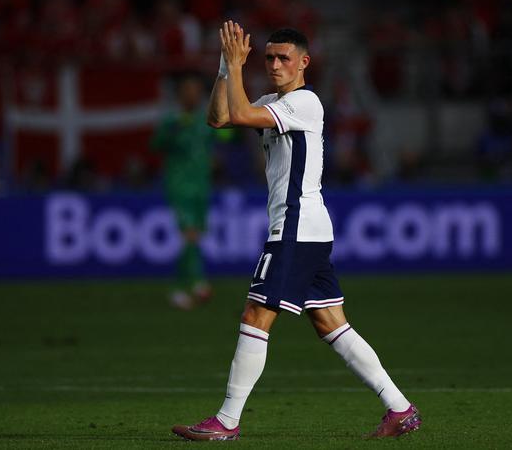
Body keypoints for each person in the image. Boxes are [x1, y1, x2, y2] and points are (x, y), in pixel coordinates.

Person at [171, 22, 421, 441]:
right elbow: (218, 119)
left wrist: (236, 68)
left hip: (295, 227)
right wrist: (223, 67)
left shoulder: (305, 103)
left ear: (304, 62)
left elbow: (240, 114)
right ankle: (400, 408)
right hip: (309, 228)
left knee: (255, 316)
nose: (274, 64)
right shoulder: (274, 101)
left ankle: (227, 421)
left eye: (283, 57)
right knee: (331, 325)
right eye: (268, 57)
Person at [151, 72, 215, 310]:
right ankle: (198, 284)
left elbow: (226, 137)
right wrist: (172, 132)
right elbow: (155, 145)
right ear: (180, 94)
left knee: (193, 238)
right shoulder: (172, 120)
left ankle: (179, 289)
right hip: (179, 186)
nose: (193, 94)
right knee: (190, 235)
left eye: (197, 90)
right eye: (189, 90)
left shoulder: (204, 119)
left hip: (201, 186)